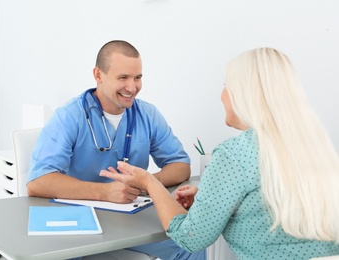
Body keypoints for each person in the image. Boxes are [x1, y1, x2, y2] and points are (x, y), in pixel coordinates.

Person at [100, 47, 339, 259]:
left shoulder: (235, 153)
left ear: (244, 94)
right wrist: (212, 199)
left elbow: (190, 238)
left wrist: (149, 182)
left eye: (226, 85)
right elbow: (268, 200)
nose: (222, 94)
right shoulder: (314, 145)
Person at [27, 40, 206, 259]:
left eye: (137, 77)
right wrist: (106, 192)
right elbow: (38, 182)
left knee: (191, 246)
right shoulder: (69, 116)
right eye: (123, 78)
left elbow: (180, 166)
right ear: (98, 75)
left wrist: (144, 184)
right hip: (79, 220)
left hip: (130, 218)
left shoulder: (147, 115)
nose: (132, 87)